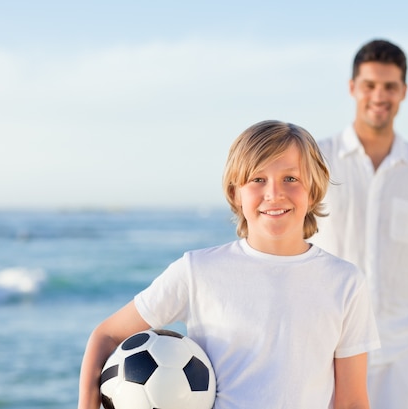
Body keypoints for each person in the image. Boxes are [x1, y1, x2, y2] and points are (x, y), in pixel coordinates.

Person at [77, 120, 381, 409]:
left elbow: (352, 401)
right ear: (235, 192)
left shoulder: (345, 283)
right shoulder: (198, 271)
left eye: (291, 178)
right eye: (257, 179)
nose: (274, 193)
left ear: (313, 189)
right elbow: (107, 335)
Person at [309, 39, 408, 409]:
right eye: (369, 85)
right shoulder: (316, 159)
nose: (379, 96)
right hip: (325, 344)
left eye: (389, 87)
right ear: (353, 88)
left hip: (401, 346)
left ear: (404, 92)